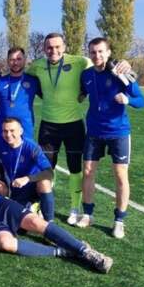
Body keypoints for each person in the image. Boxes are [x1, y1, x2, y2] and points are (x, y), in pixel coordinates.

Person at [77, 37, 144, 238]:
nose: (97, 55)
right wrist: (79, 96)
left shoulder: (120, 72)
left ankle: (119, 221)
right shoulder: (86, 75)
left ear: (108, 52)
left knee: (120, 175)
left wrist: (127, 100)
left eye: (101, 51)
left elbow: (141, 101)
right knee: (88, 172)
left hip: (118, 132)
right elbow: (83, 92)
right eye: (93, 52)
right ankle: (88, 214)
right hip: (94, 131)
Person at [25, 33, 93, 225]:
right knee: (45, 168)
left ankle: (74, 209)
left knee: (75, 168)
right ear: (44, 48)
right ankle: (42, 205)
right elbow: (24, 75)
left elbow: (96, 69)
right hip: (49, 125)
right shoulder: (37, 65)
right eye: (49, 47)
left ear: (64, 47)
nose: (53, 50)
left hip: (74, 124)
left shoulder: (80, 61)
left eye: (57, 47)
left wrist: (84, 92)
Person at [0, 118, 55, 222]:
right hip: (14, 187)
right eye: (5, 131)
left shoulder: (31, 147)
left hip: (32, 186)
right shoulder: (0, 142)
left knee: (45, 183)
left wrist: (27, 178)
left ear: (21, 131)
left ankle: (49, 222)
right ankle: (32, 207)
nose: (8, 135)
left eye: (12, 131)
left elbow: (49, 173)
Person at [0, 47, 40, 141]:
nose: (15, 63)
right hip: (3, 131)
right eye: (12, 59)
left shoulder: (33, 81)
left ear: (25, 60)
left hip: (26, 130)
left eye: (19, 59)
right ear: (7, 61)